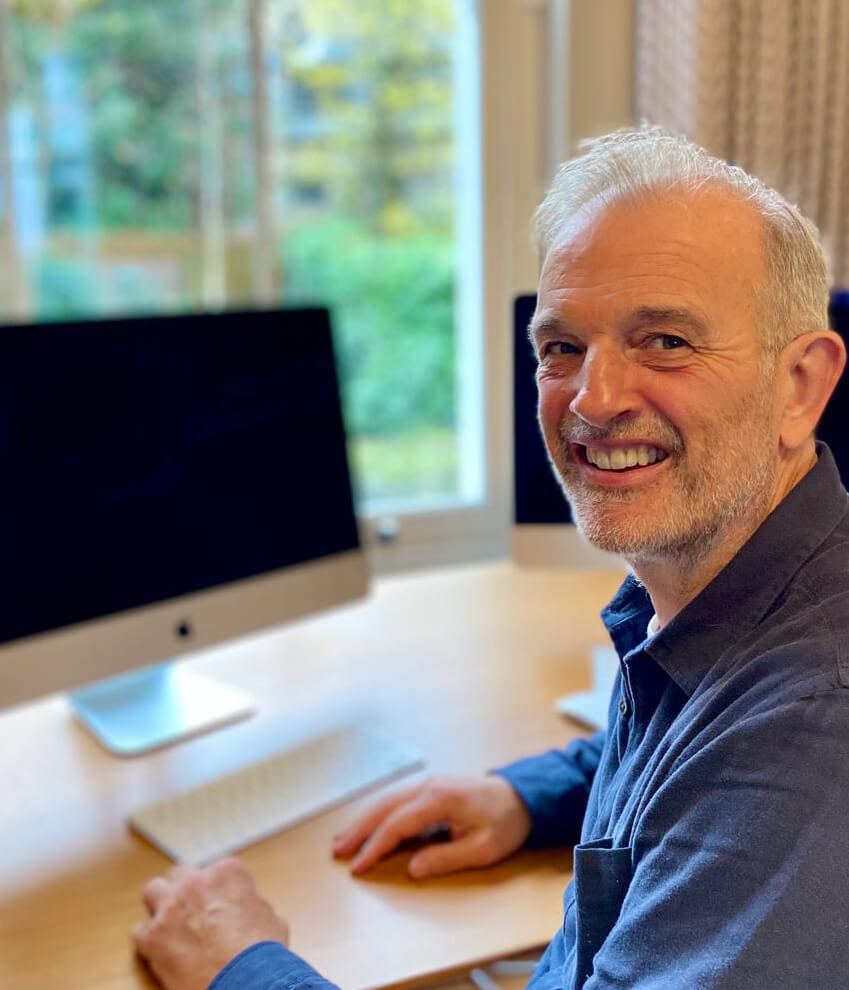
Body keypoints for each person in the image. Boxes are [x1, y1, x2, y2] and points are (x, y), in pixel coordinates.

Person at [132, 126, 849, 990]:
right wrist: (526, 799)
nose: (593, 398)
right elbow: (696, 751)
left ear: (800, 385)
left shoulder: (813, 721)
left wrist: (238, 965)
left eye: (665, 340)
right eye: (561, 347)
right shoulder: (719, 602)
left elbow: (759, 759)